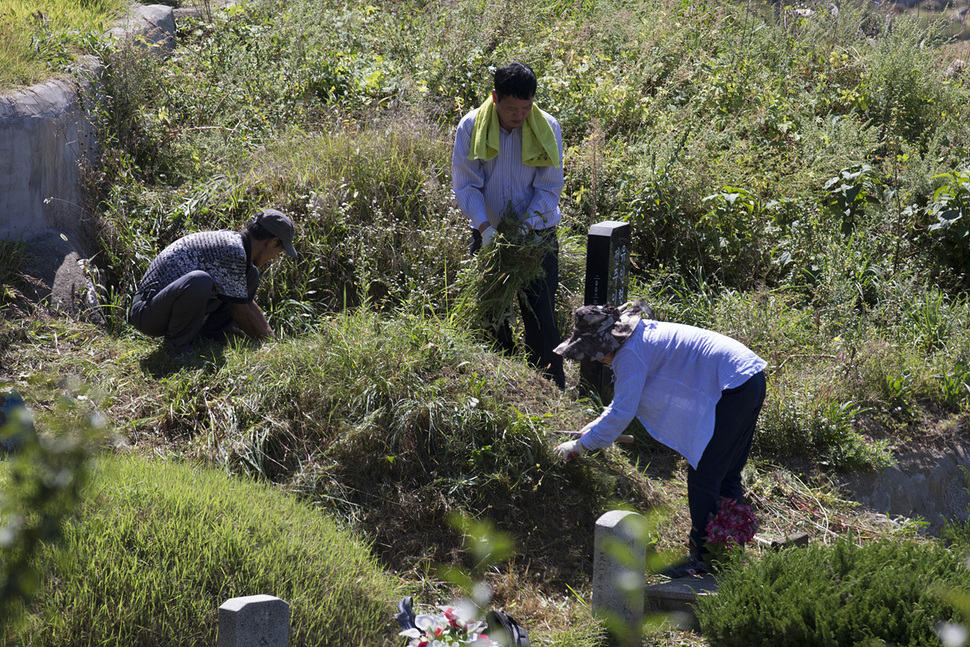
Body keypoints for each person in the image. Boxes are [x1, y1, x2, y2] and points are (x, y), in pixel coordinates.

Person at [553, 302, 767, 578]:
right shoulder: (641, 337)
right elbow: (621, 405)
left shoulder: (630, 354)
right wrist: (591, 429)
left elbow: (622, 411)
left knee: (705, 476)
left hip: (734, 384)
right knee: (726, 473)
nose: (595, 359)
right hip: (749, 376)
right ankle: (728, 554)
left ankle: (703, 559)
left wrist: (581, 446)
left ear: (606, 342)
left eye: (594, 352)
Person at [452, 61, 565, 389]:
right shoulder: (471, 126)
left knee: (542, 317)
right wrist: (486, 228)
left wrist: (525, 228)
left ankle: (550, 392)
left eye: (526, 107)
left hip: (537, 237)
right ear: (495, 98)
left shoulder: (548, 128)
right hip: (488, 234)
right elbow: (467, 184)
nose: (519, 116)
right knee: (491, 316)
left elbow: (549, 188)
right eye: (512, 108)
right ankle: (502, 387)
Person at [128, 208, 298, 361]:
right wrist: (266, 345)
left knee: (250, 275)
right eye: (279, 251)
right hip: (146, 312)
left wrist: (272, 340)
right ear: (272, 242)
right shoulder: (233, 250)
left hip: (162, 307)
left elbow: (244, 302)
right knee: (200, 281)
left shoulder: (238, 247)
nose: (275, 256)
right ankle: (177, 348)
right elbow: (241, 312)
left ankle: (209, 338)